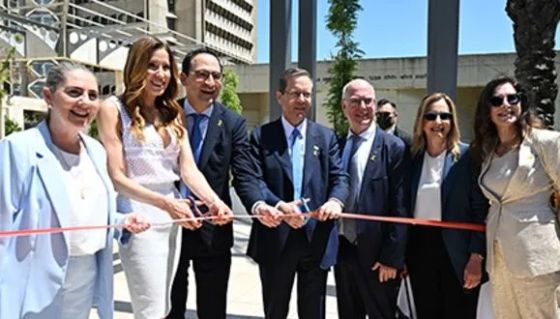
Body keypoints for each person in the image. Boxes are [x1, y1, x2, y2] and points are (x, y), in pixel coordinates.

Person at [0, 62, 149, 319]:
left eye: (93, 95)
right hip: (34, 276)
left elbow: (90, 213)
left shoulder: (96, 150)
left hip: (87, 271)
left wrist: (122, 221)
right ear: (48, 96)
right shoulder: (17, 148)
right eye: (74, 93)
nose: (85, 102)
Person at [97, 36, 232, 319]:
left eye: (166, 67)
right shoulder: (112, 108)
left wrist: (215, 201)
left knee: (165, 306)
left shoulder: (173, 111)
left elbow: (188, 170)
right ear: (135, 67)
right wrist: (165, 204)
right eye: (152, 66)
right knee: (150, 309)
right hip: (139, 217)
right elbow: (117, 177)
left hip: (173, 219)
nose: (160, 74)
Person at [236, 67, 349, 318]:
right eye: (295, 93)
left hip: (315, 238)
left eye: (307, 95)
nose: (302, 101)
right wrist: (279, 206)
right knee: (275, 311)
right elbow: (252, 180)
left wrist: (335, 200)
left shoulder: (326, 136)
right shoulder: (261, 136)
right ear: (279, 96)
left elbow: (339, 177)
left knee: (313, 313)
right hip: (276, 238)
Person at [169, 48, 255, 319]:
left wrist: (260, 203)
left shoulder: (233, 123)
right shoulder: (163, 116)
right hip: (168, 226)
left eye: (216, 76)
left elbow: (244, 174)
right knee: (168, 308)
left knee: (213, 309)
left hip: (213, 232)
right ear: (183, 78)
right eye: (202, 75)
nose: (210, 83)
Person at [471, 76, 560, 319]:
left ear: (522, 103)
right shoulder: (490, 151)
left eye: (512, 98)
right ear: (487, 110)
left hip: (536, 258)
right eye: (497, 100)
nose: (505, 104)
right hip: (499, 260)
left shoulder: (546, 142)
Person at [406, 92, 487, 319]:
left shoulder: (467, 156)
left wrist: (476, 256)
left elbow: (480, 209)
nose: (438, 122)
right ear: (422, 121)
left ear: (452, 121)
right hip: (420, 249)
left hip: (458, 251)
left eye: (445, 116)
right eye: (431, 115)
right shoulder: (412, 158)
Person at [334, 79, 409, 319]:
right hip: (342, 250)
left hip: (379, 259)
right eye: (355, 101)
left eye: (367, 101)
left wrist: (391, 258)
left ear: (375, 105)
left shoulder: (394, 147)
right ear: (344, 106)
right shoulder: (335, 145)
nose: (362, 107)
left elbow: (401, 206)